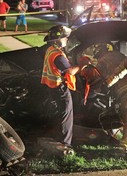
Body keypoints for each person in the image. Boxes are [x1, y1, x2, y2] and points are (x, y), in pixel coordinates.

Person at [41, 25, 80, 155]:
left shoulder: (50, 50)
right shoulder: (58, 55)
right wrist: (82, 65)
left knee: (59, 113)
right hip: (59, 88)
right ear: (59, 40)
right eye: (65, 37)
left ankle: (58, 137)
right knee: (66, 115)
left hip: (51, 86)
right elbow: (70, 71)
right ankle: (65, 144)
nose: (67, 40)